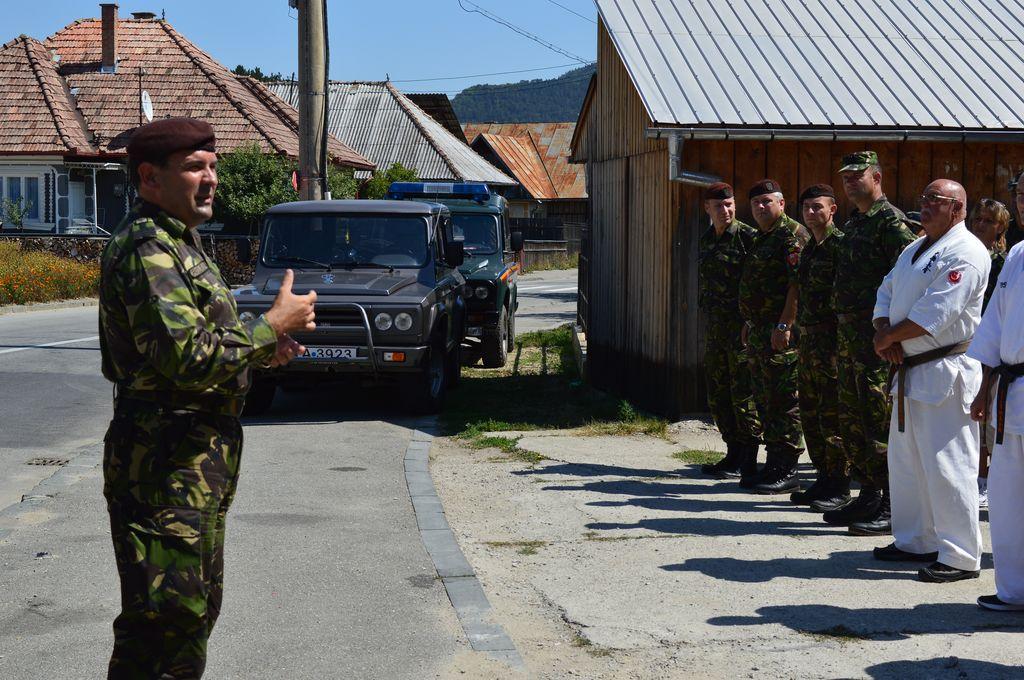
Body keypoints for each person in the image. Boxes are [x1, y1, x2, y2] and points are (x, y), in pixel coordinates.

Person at [99, 118, 317, 679]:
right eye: (195, 167)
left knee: (186, 613)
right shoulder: (148, 248)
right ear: (150, 178)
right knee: (166, 622)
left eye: (213, 166)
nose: (211, 178)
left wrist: (264, 349)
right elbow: (187, 359)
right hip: (163, 462)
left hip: (192, 459)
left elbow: (205, 342)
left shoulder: (179, 241)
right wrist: (270, 326)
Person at [871, 179, 989, 582]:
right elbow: (886, 289)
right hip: (909, 366)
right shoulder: (914, 247)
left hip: (945, 370)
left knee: (948, 465)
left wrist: (890, 337)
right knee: (907, 463)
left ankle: (960, 555)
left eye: (935, 200)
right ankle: (916, 540)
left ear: (958, 208)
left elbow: (937, 312)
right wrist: (884, 330)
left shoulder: (967, 251)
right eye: (923, 198)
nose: (925, 205)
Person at [823, 151, 916, 533]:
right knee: (853, 420)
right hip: (850, 340)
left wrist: (891, 334)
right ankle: (869, 494)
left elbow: (908, 281)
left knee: (879, 422)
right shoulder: (857, 222)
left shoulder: (891, 223)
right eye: (845, 177)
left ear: (876, 177)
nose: (849, 182)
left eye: (856, 175)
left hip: (876, 342)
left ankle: (892, 504)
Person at [738, 179, 809, 493]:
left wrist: (785, 325)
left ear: (782, 203)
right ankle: (773, 464)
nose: (761, 207)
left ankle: (788, 468)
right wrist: (750, 322)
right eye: (756, 202)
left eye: (767, 201)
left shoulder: (791, 235)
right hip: (759, 330)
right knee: (765, 399)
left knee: (784, 399)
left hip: (780, 333)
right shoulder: (761, 237)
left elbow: (796, 286)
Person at [968, 237, 1024, 610]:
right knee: (1006, 499)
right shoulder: (1018, 253)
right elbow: (994, 327)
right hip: (1011, 392)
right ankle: (1014, 590)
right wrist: (984, 389)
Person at [696, 182, 763, 479]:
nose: (725, 210)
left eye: (729, 205)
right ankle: (733, 453)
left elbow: (761, 284)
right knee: (718, 394)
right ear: (707, 209)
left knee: (743, 395)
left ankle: (749, 458)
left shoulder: (748, 238)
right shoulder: (707, 240)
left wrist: (752, 322)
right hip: (716, 329)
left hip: (741, 331)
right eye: (719, 206)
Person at [790, 184, 848, 508]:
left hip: (832, 344)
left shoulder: (841, 246)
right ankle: (823, 477)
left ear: (832, 210)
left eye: (817, 207)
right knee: (810, 414)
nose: (811, 213)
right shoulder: (810, 248)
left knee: (833, 415)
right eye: (806, 208)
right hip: (809, 342)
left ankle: (839, 485)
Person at [968, 198, 1011, 508]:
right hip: (968, 344)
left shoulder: (1002, 262)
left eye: (988, 221)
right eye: (977, 219)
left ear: (1000, 228)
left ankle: (987, 479)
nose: (980, 225)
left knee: (990, 416)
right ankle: (977, 476)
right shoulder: (966, 255)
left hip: (992, 347)